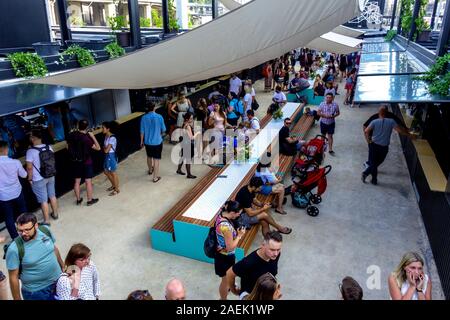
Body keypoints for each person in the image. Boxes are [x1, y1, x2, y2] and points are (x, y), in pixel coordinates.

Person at [6, 213, 64, 300]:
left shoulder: (45, 230)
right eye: (20, 230)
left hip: (58, 282)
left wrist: (63, 266)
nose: (23, 233)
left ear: (36, 225)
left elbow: (54, 249)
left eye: (27, 229)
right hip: (36, 293)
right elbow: (13, 277)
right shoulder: (14, 249)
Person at [362, 106, 416, 185]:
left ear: (379, 112)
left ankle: (367, 173)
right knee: (377, 162)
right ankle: (372, 178)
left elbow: (365, 130)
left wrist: (368, 140)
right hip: (384, 147)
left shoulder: (374, 120)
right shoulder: (391, 121)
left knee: (374, 163)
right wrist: (409, 135)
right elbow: (400, 131)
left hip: (373, 145)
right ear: (387, 112)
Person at [226, 231, 283, 299]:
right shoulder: (249, 262)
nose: (276, 253)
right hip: (251, 295)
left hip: (265, 294)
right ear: (263, 246)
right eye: (272, 250)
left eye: (278, 249)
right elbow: (229, 273)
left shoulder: (275, 255)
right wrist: (234, 291)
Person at [214, 200, 246, 300]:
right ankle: (223, 299)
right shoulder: (225, 227)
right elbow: (230, 247)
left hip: (221, 254)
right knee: (225, 281)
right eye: (238, 214)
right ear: (232, 213)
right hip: (225, 257)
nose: (238, 216)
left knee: (226, 278)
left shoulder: (221, 214)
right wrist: (239, 236)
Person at [26, 130, 58, 225]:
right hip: (50, 174)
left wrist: (30, 179)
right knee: (52, 195)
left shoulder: (30, 151)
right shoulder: (49, 147)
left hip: (38, 179)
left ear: (33, 138)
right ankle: (55, 214)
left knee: (43, 200)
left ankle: (47, 221)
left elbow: (29, 167)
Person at [67, 120, 101, 206]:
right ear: (87, 127)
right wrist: (93, 137)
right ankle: (89, 200)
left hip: (76, 162)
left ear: (78, 125)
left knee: (77, 181)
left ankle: (78, 199)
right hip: (86, 162)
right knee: (88, 181)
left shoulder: (71, 135)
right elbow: (98, 148)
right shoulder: (86, 138)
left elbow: (67, 147)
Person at [362, 105, 405, 170]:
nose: (380, 113)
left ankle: (370, 166)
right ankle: (370, 169)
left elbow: (400, 124)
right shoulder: (375, 117)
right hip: (373, 140)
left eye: (382, 112)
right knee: (372, 156)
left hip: (383, 142)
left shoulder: (391, 117)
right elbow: (365, 126)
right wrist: (367, 139)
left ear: (386, 112)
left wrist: (407, 130)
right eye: (380, 111)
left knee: (380, 158)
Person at [0, 141, 27, 240]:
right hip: (17, 192)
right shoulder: (15, 162)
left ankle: (16, 238)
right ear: (7, 150)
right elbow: (24, 175)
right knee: (23, 213)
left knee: (8, 217)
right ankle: (27, 232)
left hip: (3, 196)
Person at [140, 102, 166, 183]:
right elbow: (164, 130)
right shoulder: (159, 117)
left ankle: (150, 170)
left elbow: (142, 131)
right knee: (156, 159)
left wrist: (141, 141)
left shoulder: (144, 118)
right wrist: (160, 135)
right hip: (157, 142)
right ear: (154, 107)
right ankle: (155, 178)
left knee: (149, 156)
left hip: (147, 142)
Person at [176, 112, 199, 179]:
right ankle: (189, 174)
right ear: (187, 119)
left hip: (184, 142)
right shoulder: (188, 126)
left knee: (183, 157)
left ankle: (178, 169)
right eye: (191, 118)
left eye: (192, 118)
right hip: (188, 143)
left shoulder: (184, 124)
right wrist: (197, 133)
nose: (192, 119)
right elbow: (192, 137)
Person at [102, 121, 120, 196]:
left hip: (111, 156)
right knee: (106, 171)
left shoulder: (112, 138)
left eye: (103, 128)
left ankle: (117, 189)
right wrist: (105, 148)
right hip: (107, 156)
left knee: (113, 173)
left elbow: (106, 150)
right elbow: (105, 149)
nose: (102, 129)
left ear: (108, 129)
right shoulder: (106, 136)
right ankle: (113, 185)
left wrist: (105, 148)